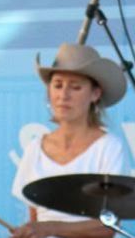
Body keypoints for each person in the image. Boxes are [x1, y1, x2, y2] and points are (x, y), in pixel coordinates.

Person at [10, 43, 128, 238]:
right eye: (57, 85)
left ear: (95, 94)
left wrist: (50, 228)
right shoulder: (35, 149)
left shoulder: (108, 147)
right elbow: (34, 219)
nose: (64, 95)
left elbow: (109, 226)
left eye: (75, 87)